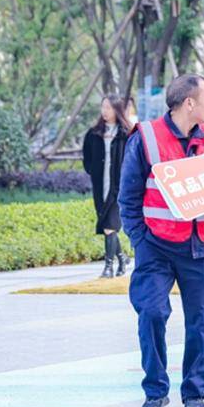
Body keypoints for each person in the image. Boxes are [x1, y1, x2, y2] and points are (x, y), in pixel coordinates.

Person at [118, 74, 204, 407]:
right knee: (152, 313)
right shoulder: (146, 138)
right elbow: (128, 197)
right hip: (156, 246)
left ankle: (194, 392)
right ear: (189, 103)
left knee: (199, 321)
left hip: (200, 245)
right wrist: (140, 240)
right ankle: (155, 391)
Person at [82, 95, 134, 277]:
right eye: (103, 107)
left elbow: (132, 159)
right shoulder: (93, 134)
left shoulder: (126, 134)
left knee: (110, 225)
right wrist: (94, 171)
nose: (104, 111)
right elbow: (87, 158)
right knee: (107, 225)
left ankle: (108, 268)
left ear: (117, 110)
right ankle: (122, 258)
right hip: (100, 186)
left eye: (109, 108)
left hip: (119, 188)